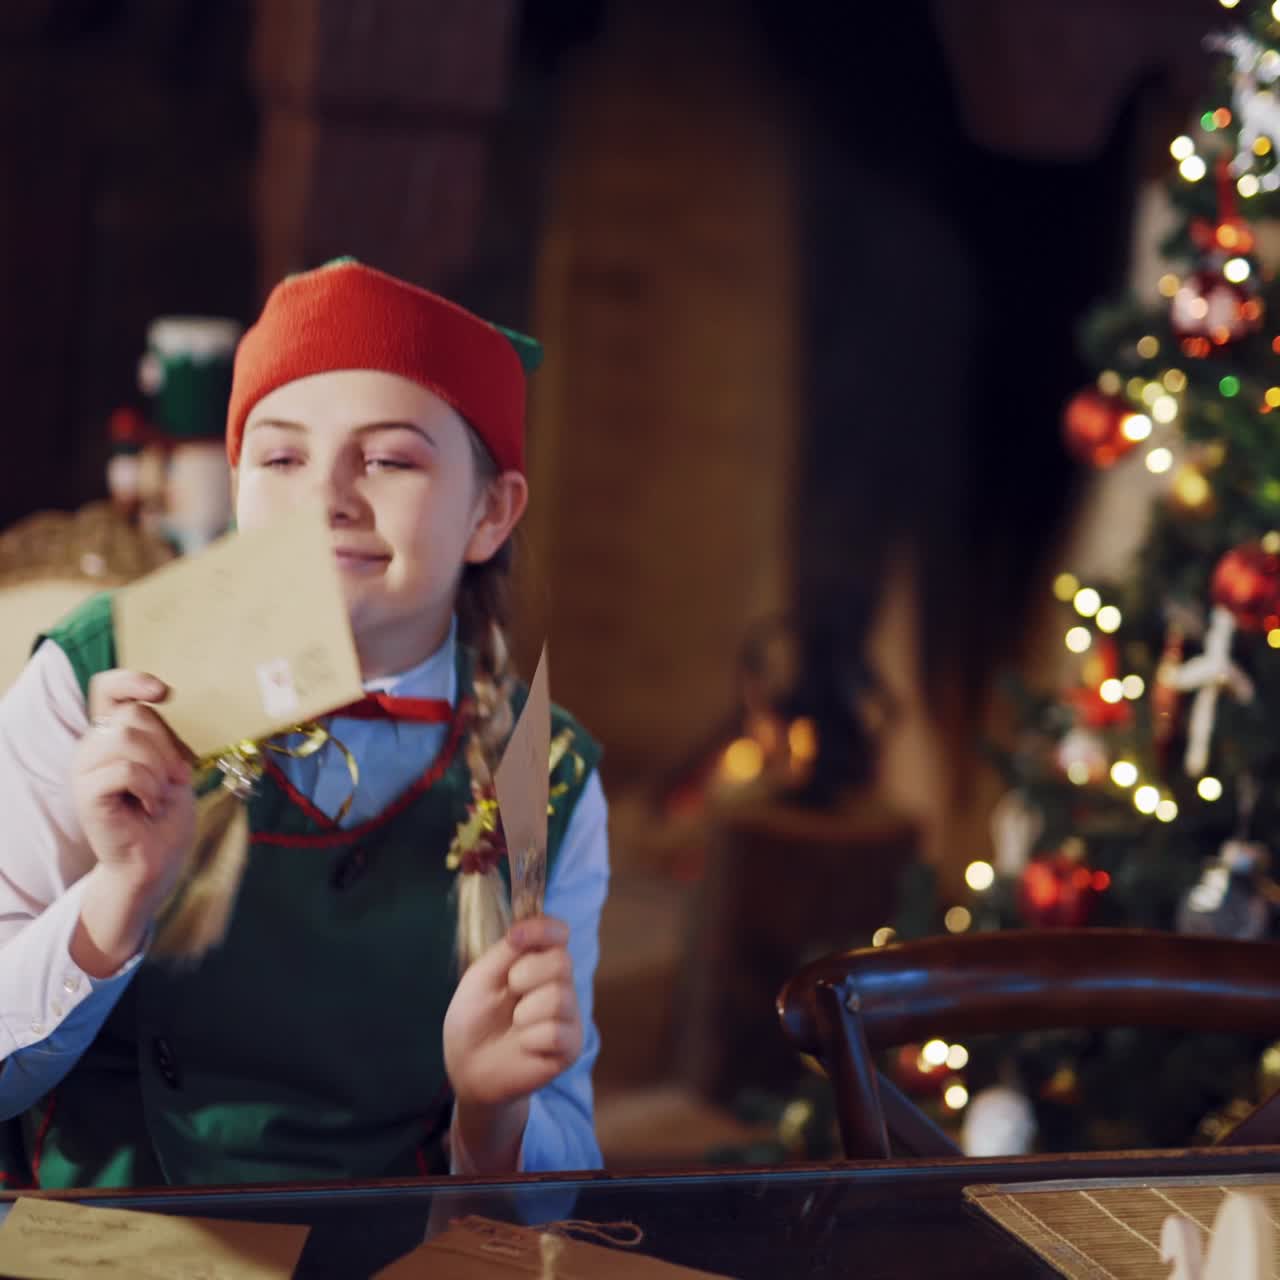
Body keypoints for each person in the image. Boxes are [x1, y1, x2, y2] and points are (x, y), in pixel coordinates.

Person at [0, 258, 609, 1189]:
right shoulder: (99, 678)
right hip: (109, 1239)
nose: (326, 498)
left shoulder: (545, 771)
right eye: (282, 457)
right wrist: (117, 898)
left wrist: (493, 1111)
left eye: (391, 458)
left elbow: (553, 1189)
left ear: (491, 512)